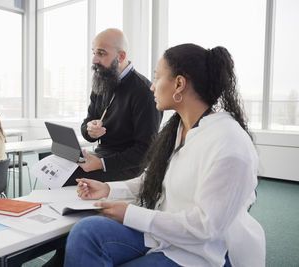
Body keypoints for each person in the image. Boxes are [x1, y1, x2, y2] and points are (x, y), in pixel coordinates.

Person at [65, 44, 266, 267]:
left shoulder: (229, 143)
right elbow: (152, 180)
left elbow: (206, 228)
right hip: (164, 234)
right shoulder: (179, 128)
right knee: (86, 231)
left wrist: (131, 214)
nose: (152, 87)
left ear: (179, 84)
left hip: (202, 253)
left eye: (157, 77)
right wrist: (109, 189)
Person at [64, 28, 162, 186]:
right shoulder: (102, 80)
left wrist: (102, 163)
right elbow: (87, 123)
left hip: (129, 168)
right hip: (101, 156)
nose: (94, 60)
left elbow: (146, 151)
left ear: (121, 56)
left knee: (68, 175)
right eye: (93, 53)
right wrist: (89, 130)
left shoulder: (144, 91)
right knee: (56, 164)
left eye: (101, 53)